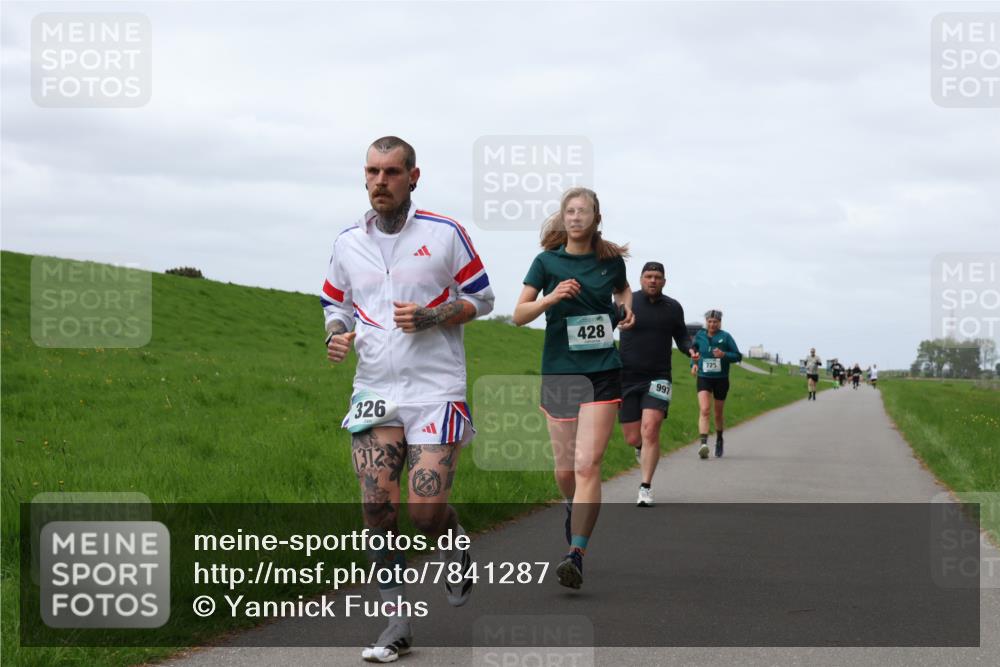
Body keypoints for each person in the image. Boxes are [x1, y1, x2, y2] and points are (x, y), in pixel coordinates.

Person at [322, 136, 495, 663]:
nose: (380, 181)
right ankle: (397, 621)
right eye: (372, 171)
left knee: (424, 510)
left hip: (435, 388)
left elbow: (482, 297)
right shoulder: (348, 240)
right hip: (375, 388)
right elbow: (336, 302)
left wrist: (431, 316)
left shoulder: (445, 234)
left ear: (413, 177)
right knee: (376, 505)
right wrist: (336, 332)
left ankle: (454, 543)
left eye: (391, 172)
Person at [513, 186, 634, 590]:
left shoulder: (609, 261)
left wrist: (627, 309)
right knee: (566, 470)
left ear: (596, 218)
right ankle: (572, 505)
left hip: (602, 370)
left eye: (584, 211)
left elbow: (623, 291)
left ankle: (575, 554)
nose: (577, 216)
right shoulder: (546, 262)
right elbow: (518, 315)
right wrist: (551, 299)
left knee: (587, 465)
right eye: (570, 211)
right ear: (563, 218)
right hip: (560, 371)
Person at [618, 261, 693, 507]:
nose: (653, 280)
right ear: (640, 279)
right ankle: (640, 446)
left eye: (658, 277)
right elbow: (605, 324)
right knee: (632, 437)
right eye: (648, 276)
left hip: (659, 376)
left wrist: (690, 349)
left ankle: (645, 487)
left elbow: (681, 336)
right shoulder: (627, 302)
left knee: (651, 429)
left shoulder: (673, 308)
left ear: (664, 281)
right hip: (627, 376)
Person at [689, 310, 742, 458]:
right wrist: (693, 364)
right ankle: (703, 444)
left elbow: (738, 356)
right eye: (710, 321)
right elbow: (694, 352)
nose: (712, 324)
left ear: (720, 322)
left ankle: (719, 439)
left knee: (718, 414)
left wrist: (724, 355)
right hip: (704, 377)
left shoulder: (725, 337)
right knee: (705, 409)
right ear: (706, 322)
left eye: (715, 322)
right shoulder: (700, 335)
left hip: (721, 379)